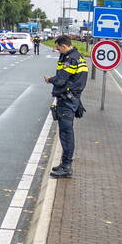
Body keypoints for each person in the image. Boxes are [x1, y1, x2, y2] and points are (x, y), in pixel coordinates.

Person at [43, 35, 88, 178]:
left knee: (66, 134)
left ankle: (67, 166)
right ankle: (64, 164)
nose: (57, 50)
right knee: (66, 133)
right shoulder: (77, 56)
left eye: (58, 47)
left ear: (64, 46)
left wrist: (50, 80)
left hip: (67, 101)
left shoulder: (70, 59)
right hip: (72, 98)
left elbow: (62, 79)